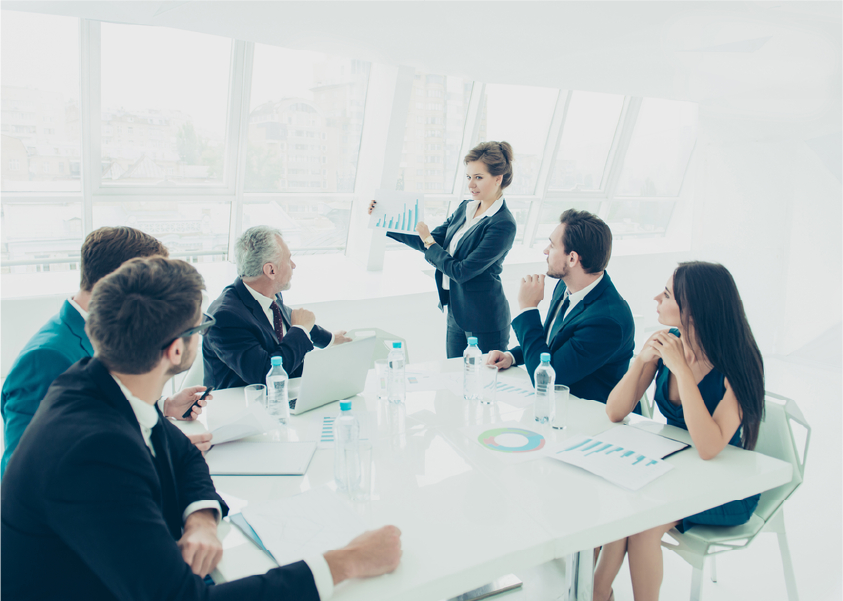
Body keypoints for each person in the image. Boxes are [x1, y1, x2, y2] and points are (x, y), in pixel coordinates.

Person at [0, 256, 402, 600]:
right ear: (177, 349)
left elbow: (183, 455)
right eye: (200, 327)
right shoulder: (94, 450)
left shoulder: (104, 380)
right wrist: (344, 562)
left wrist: (202, 519)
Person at [595, 261, 765, 601]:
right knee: (616, 505)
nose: (657, 298)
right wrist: (642, 361)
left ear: (693, 311)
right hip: (674, 468)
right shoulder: (668, 343)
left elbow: (709, 446)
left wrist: (681, 371)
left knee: (643, 526)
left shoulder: (740, 361)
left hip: (723, 483)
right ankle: (596, 594)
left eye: (668, 294)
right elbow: (614, 411)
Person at [0, 226, 212, 482]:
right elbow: (22, 471)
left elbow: (100, 406)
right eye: (152, 284)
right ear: (115, 284)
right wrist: (154, 453)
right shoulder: (45, 357)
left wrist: (163, 406)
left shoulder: (112, 333)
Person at [370, 141, 517, 358]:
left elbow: (461, 271)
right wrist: (384, 221)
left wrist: (429, 242)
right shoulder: (465, 208)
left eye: (479, 177)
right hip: (456, 313)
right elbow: (429, 240)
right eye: (468, 177)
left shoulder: (502, 223)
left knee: (484, 384)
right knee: (453, 379)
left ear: (498, 178)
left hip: (485, 319)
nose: (471, 185)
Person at [487, 209, 634, 404]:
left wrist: (528, 309)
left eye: (552, 245)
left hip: (588, 417)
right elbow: (553, 343)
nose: (545, 250)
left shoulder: (606, 320)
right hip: (558, 405)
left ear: (572, 258)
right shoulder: (565, 285)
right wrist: (512, 356)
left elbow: (547, 378)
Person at [203, 226, 351, 389]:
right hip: (242, 407)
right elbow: (266, 374)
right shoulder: (225, 317)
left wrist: (330, 339)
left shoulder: (268, 294)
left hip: (284, 397)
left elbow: (286, 320)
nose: (293, 265)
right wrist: (300, 329)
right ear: (271, 270)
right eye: (288, 259)